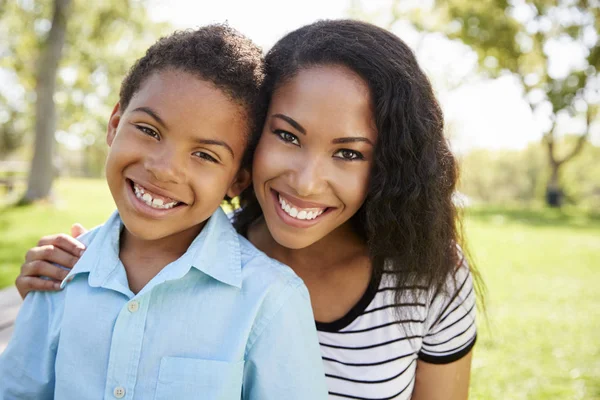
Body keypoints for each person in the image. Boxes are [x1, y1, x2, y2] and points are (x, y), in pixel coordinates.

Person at [15, 20, 482, 400]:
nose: (305, 181)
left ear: (388, 164)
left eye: (348, 153)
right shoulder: (180, 247)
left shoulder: (431, 276)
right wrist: (59, 283)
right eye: (287, 135)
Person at [0, 25, 328, 400]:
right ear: (114, 124)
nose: (164, 168)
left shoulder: (268, 299)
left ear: (237, 179)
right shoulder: (58, 274)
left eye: (205, 155)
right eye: (149, 130)